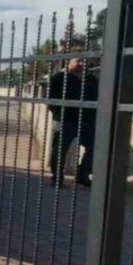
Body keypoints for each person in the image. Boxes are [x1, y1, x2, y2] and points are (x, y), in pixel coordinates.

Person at [48, 59, 98, 187]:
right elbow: (49, 98)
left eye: (84, 61)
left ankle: (82, 175)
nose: (82, 63)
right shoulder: (59, 78)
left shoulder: (92, 79)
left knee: (95, 147)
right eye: (78, 60)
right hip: (66, 120)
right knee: (60, 150)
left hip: (87, 121)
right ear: (68, 62)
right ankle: (57, 178)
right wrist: (58, 113)